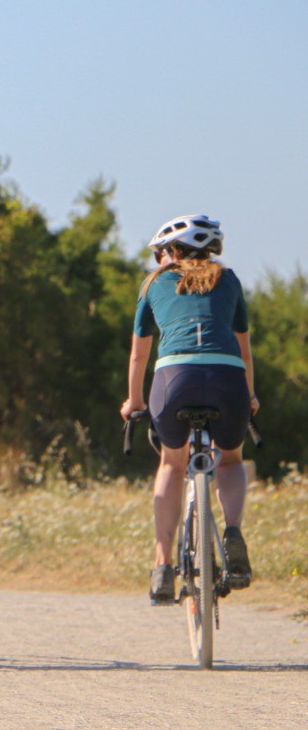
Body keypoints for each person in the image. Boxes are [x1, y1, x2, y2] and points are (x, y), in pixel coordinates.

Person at [119, 214, 257, 604]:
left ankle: (162, 565)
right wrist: (250, 396)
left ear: (172, 252)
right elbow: (243, 348)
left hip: (174, 379)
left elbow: (138, 355)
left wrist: (134, 403)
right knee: (229, 461)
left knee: (171, 464)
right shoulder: (228, 280)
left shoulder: (152, 283)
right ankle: (232, 530)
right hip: (228, 378)